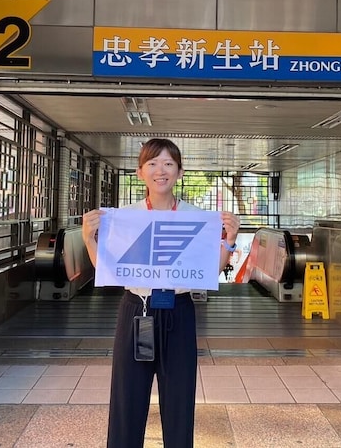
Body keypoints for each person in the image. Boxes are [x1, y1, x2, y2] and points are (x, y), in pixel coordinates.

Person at [81, 138, 240, 448]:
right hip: (136, 311)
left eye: (168, 164)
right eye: (152, 164)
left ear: (180, 172)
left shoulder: (196, 217)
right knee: (128, 399)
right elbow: (108, 268)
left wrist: (229, 241)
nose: (160, 170)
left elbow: (210, 272)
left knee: (180, 400)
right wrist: (89, 239)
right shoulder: (126, 218)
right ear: (140, 172)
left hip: (178, 311)